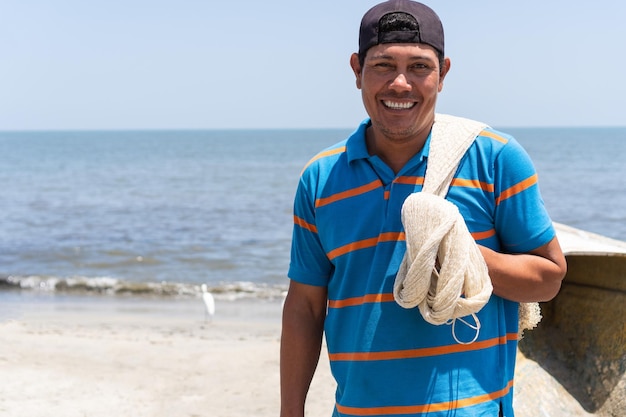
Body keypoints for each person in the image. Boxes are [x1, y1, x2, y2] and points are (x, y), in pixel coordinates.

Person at [280, 1, 567, 416]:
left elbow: (548, 279)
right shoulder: (321, 178)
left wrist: (462, 255)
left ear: (443, 73)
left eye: (419, 67)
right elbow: (304, 305)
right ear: (356, 70)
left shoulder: (495, 158)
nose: (400, 84)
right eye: (382, 65)